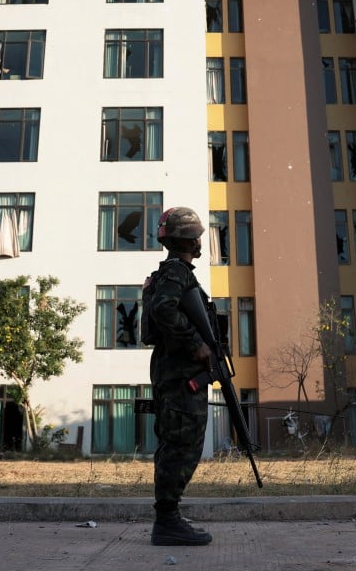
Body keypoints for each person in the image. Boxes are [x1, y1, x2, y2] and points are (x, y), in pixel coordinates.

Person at [143, 206, 214, 546]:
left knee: (179, 444)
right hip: (179, 374)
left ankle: (169, 517)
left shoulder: (174, 272)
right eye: (197, 236)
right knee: (180, 446)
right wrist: (195, 343)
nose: (200, 241)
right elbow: (163, 308)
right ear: (188, 239)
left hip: (177, 373)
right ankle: (168, 521)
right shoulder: (176, 272)